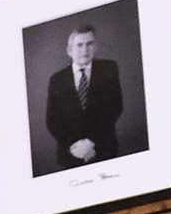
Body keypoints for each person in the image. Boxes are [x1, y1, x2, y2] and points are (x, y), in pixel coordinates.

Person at [44, 23, 124, 172]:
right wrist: (77, 147)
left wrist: (90, 143)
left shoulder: (109, 69)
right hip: (70, 154)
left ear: (96, 47)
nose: (85, 50)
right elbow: (52, 120)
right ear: (70, 50)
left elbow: (115, 108)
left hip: (104, 148)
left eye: (89, 44)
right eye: (79, 45)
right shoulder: (57, 80)